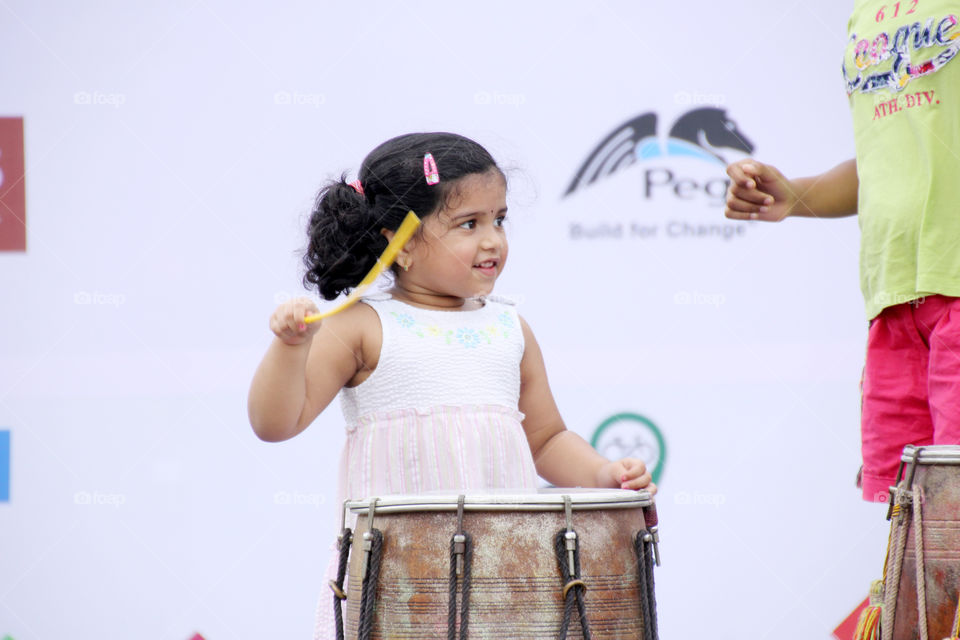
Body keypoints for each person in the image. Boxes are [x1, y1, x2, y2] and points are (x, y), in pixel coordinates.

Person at [247, 132, 655, 637]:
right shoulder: (360, 327)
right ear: (398, 242)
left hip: (507, 584)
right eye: (468, 224)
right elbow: (274, 423)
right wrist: (290, 348)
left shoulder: (509, 329)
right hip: (397, 589)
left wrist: (602, 472)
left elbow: (546, 439)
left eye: (499, 220)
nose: (493, 240)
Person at [724, 2, 960, 503]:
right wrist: (794, 195)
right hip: (893, 302)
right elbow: (892, 157)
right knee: (913, 531)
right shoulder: (865, 13)